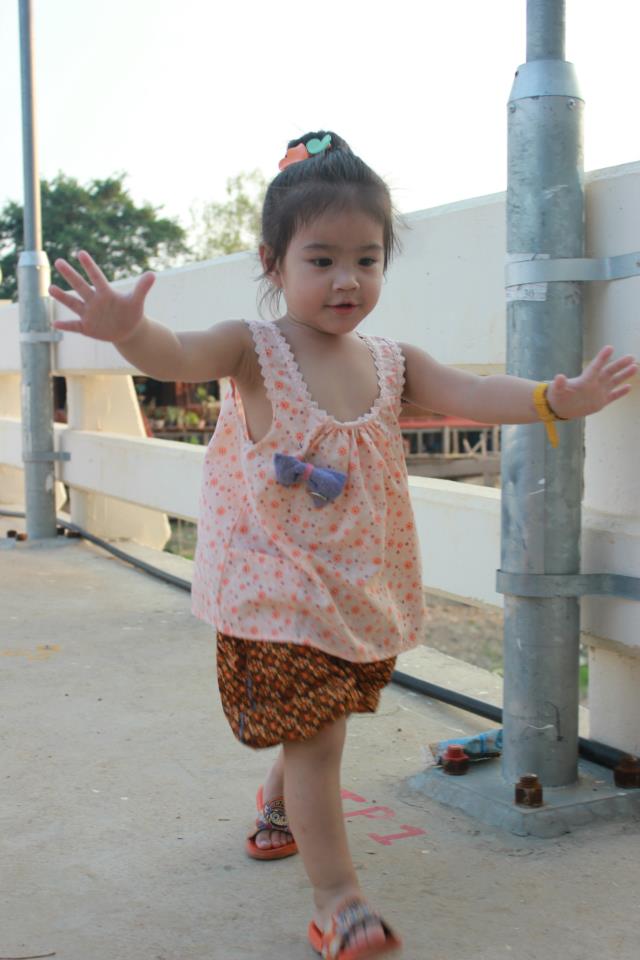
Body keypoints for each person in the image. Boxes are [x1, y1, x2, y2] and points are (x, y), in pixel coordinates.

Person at [50, 130, 637, 960]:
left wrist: (553, 398)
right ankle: (338, 902)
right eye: (321, 260)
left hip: (361, 586)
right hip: (274, 589)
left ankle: (276, 804)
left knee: (323, 724)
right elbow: (174, 353)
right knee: (319, 738)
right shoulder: (252, 349)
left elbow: (474, 391)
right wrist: (128, 331)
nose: (346, 280)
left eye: (366, 259)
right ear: (273, 262)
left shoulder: (392, 362)